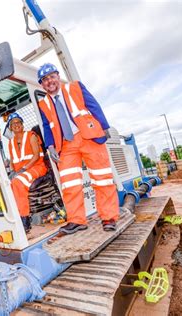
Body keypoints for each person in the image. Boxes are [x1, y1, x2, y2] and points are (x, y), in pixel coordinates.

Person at [36, 63, 119, 234]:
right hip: (66, 144)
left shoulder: (75, 87)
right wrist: (50, 145)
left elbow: (93, 106)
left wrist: (104, 126)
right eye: (44, 79)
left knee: (102, 179)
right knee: (69, 183)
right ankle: (76, 220)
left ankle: (109, 218)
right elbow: (46, 126)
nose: (49, 81)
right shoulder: (43, 103)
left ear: (58, 76)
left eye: (51, 76)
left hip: (88, 136)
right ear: (42, 85)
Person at [6, 113, 48, 233]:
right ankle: (14, 217)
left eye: (18, 122)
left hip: (37, 167)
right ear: (10, 127)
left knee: (18, 182)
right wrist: (11, 172)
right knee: (6, 184)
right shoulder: (11, 142)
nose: (16, 125)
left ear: (22, 124)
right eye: (13, 123)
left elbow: (35, 156)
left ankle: (25, 220)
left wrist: (23, 170)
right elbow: (13, 161)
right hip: (21, 171)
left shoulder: (31, 135)